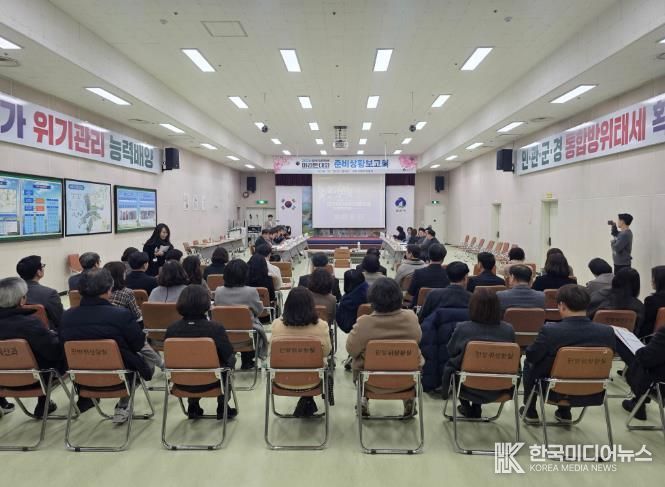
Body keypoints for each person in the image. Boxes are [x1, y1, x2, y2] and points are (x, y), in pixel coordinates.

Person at [60, 269, 154, 423]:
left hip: (82, 378)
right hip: (120, 377)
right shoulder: (121, 315)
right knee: (147, 363)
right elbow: (138, 344)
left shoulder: (66, 316)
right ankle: (123, 403)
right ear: (109, 289)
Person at [520, 285, 615, 424]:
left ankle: (530, 411)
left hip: (553, 390)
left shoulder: (551, 331)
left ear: (562, 306)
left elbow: (532, 355)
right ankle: (564, 412)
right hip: (593, 390)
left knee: (529, 363)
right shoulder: (607, 332)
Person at [346, 278, 422, 417]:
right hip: (407, 380)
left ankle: (363, 398)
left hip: (371, 382)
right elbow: (418, 339)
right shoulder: (411, 318)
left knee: (361, 359)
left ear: (372, 299)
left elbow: (351, 349)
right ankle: (408, 398)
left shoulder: (364, 323)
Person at [165, 284, 237, 420]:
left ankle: (193, 405)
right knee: (228, 363)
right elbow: (228, 356)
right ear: (206, 304)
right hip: (213, 381)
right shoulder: (215, 328)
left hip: (180, 382)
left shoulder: (171, 329)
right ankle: (222, 406)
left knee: (188, 362)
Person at [441, 289, 516, 418]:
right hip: (500, 387)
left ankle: (466, 406)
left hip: (466, 386)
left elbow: (451, 350)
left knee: (459, 364)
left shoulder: (463, 328)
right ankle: (476, 407)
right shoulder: (508, 330)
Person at [0, 277, 63, 417]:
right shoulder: (30, 324)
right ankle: (43, 404)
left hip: (3, 382)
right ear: (22, 300)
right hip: (35, 380)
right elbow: (54, 352)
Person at [270, 287, 331, 417]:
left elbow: (271, 353)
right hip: (313, 379)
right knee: (319, 362)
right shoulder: (322, 326)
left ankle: (306, 400)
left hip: (282, 380)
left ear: (287, 305)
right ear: (311, 305)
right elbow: (326, 352)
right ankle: (307, 399)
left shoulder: (276, 325)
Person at [105, 261, 164, 370]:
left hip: (107, 330)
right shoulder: (127, 292)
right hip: (122, 329)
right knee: (142, 337)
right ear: (122, 275)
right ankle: (161, 364)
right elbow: (137, 315)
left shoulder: (101, 292)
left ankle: (160, 364)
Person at [214, 259, 268, 368]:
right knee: (251, 326)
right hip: (248, 336)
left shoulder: (218, 291)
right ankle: (247, 361)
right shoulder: (251, 291)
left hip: (224, 334)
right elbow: (259, 311)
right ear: (245, 275)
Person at [618, 327, 665, 421]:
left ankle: (638, 401)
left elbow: (646, 358)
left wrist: (643, 349)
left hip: (659, 386)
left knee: (634, 356)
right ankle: (640, 400)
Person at [588, 268, 644, 335]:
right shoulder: (638, 306)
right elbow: (638, 330)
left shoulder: (597, 296)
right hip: (625, 340)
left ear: (615, 280)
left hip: (595, 337)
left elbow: (586, 320)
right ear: (636, 285)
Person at [16, 255, 63, 329]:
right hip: (45, 333)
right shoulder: (50, 294)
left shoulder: (11, 294)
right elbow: (60, 320)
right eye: (42, 266)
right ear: (39, 272)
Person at [408, 243, 450, 307]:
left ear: (429, 255)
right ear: (443, 258)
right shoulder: (448, 274)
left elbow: (411, 293)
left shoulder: (418, 273)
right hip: (440, 307)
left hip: (419, 308)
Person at [336, 269, 369, 334]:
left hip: (355, 333)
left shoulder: (346, 302)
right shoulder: (372, 294)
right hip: (372, 330)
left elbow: (345, 327)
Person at [642, 266, 665, 339]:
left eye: (653, 278)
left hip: (654, 341)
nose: (651, 281)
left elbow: (646, 327)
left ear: (659, 280)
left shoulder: (651, 301)